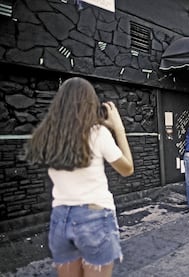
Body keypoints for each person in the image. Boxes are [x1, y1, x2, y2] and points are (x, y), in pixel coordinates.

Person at [24, 77, 134, 277]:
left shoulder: (47, 135)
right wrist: (118, 128)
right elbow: (127, 169)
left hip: (60, 219)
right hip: (95, 217)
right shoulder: (97, 133)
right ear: (90, 103)